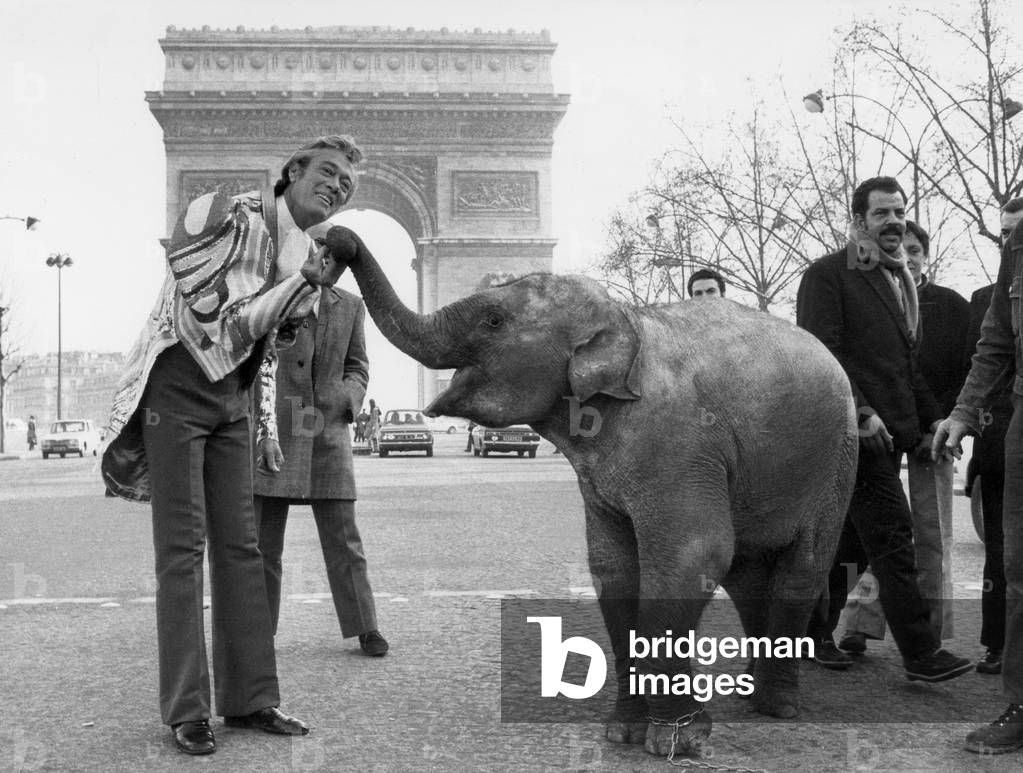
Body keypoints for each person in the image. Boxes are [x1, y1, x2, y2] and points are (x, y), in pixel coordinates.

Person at [100, 135, 361, 755]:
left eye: (346, 186)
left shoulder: (303, 250)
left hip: (231, 399)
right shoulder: (225, 212)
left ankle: (250, 700)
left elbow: (263, 354)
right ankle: (186, 709)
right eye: (327, 173)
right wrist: (301, 284)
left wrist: (265, 428)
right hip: (176, 385)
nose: (335, 188)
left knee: (242, 547)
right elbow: (231, 319)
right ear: (292, 170)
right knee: (183, 548)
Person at [796, 176, 971, 682]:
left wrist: (932, 419)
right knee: (896, 539)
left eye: (899, 211)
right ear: (857, 222)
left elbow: (904, 369)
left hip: (890, 436)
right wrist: (862, 411)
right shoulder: (828, 275)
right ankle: (921, 654)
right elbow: (823, 354)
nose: (894, 221)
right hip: (852, 435)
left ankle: (804, 635)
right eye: (881, 214)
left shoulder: (895, 280)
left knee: (848, 545)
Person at [253, 220, 389, 657]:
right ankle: (257, 632)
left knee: (344, 539)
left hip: (328, 434)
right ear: (307, 250)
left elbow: (359, 365)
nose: (330, 266)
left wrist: (347, 399)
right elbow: (256, 362)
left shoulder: (351, 307)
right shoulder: (273, 298)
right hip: (273, 435)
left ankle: (366, 626)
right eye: (324, 255)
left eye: (340, 264)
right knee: (262, 545)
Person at [839, 220, 970, 652]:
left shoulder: (952, 306)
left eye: (917, 249)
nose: (909, 257)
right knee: (883, 535)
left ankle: (928, 635)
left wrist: (947, 421)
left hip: (934, 435)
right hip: (882, 433)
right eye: (903, 250)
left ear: (925, 256)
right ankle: (859, 623)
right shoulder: (874, 299)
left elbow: (966, 369)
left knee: (933, 538)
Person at [934, 196, 1023, 754]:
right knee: (1019, 570)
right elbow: (996, 341)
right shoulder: (1017, 245)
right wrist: (964, 413)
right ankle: (1021, 704)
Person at [965, 198, 1023, 679]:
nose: (1010, 238)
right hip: (1004, 434)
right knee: (1009, 558)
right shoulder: (995, 286)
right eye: (1004, 232)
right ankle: (1002, 656)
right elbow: (989, 350)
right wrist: (963, 415)